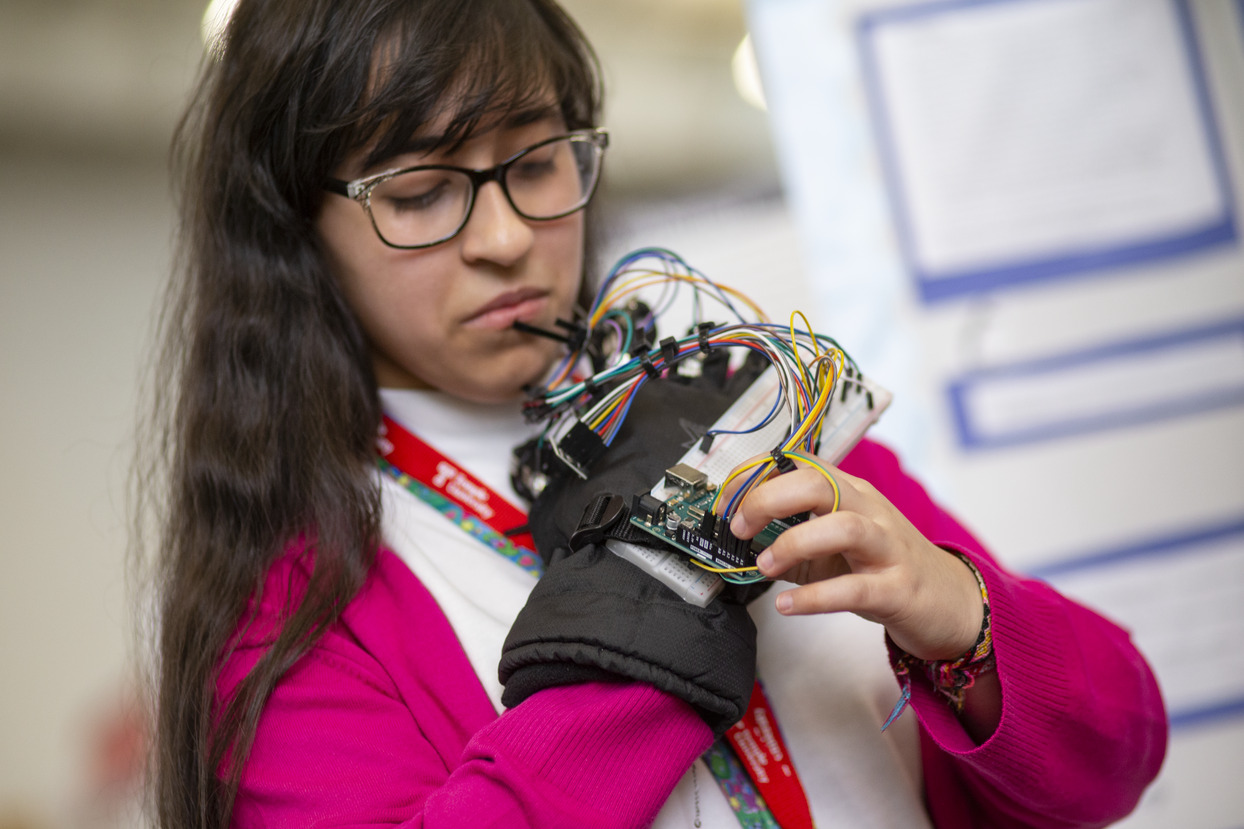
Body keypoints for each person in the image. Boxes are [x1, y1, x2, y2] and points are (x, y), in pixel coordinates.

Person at [139, 0, 1167, 827]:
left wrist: (961, 619)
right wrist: (658, 599)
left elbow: (1118, 749)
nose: (505, 237)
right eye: (420, 191)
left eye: (535, 163)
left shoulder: (753, 415)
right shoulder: (295, 606)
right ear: (295, 230)